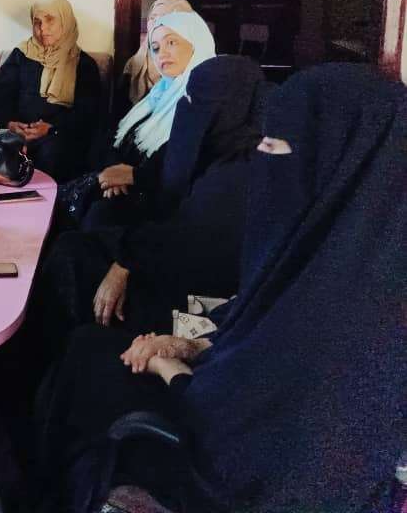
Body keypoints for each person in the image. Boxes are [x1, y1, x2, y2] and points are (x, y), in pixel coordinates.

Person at [34, 65, 406, 513]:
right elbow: (253, 332)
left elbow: (247, 448)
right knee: (88, 350)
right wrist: (188, 345)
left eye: (275, 146)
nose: (262, 156)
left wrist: (167, 368)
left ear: (336, 167)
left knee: (89, 376)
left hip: (223, 477)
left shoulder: (362, 315)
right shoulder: (336, 255)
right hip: (218, 403)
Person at [35, 56, 266, 353]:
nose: (189, 106)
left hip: (187, 292)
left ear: (235, 105)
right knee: (72, 244)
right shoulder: (213, 140)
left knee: (72, 262)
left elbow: (194, 236)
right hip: (158, 250)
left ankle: (50, 356)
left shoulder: (243, 168)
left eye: (200, 98)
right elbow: (164, 185)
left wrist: (125, 263)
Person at [80, 10, 216, 231]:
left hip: (156, 203)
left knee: (94, 218)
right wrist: (114, 173)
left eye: (171, 42)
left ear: (196, 43)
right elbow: (115, 136)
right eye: (155, 47)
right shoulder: (158, 94)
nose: (162, 54)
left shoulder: (207, 101)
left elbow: (186, 169)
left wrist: (131, 177)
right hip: (122, 190)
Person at [0, 0, 102, 182]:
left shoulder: (83, 64)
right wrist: (9, 123)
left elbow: (88, 113)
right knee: (1, 148)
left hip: (59, 136)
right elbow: (0, 95)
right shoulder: (21, 55)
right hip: (18, 133)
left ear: (65, 21)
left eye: (50, 20)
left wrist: (51, 129)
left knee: (52, 152)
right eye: (37, 22)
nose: (43, 28)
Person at [115, 0, 193, 122]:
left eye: (164, 17)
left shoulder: (196, 66)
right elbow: (120, 114)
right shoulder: (134, 64)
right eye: (153, 17)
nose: (156, 23)